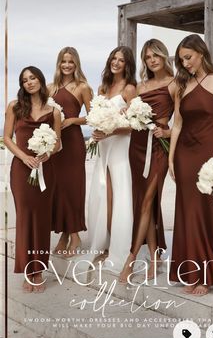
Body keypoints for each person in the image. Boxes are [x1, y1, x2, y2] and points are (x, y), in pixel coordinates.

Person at [169, 34, 213, 296]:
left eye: (188, 57)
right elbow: (177, 124)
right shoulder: (182, 85)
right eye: (181, 59)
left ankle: (207, 274)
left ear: (201, 52)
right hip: (185, 153)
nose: (185, 63)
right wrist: (172, 159)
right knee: (187, 212)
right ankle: (192, 271)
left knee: (207, 212)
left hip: (212, 155)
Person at [119, 39, 175, 283]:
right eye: (148, 57)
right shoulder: (139, 87)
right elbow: (132, 120)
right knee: (145, 203)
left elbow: (183, 120)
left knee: (147, 201)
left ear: (164, 57)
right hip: (138, 147)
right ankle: (154, 255)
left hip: (159, 147)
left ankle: (130, 259)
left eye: (156, 56)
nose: (152, 60)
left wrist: (169, 132)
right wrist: (125, 114)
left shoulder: (175, 84)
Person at [4, 66, 61, 292]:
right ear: (22, 85)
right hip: (21, 168)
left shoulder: (53, 111)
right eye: (25, 80)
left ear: (40, 79)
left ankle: (39, 269)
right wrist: (25, 157)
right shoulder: (15, 107)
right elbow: (7, 138)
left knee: (42, 219)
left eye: (33, 77)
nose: (29, 82)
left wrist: (47, 153)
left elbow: (58, 143)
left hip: (46, 169)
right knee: (25, 218)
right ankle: (28, 270)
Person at [82, 45, 137, 274]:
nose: (116, 63)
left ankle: (118, 247)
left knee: (118, 196)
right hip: (104, 147)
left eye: (121, 60)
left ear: (127, 65)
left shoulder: (130, 89)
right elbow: (95, 117)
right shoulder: (103, 87)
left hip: (119, 148)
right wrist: (97, 130)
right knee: (102, 195)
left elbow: (134, 125)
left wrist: (109, 131)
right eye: (114, 58)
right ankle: (104, 245)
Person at [48, 47, 93, 257]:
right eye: (63, 61)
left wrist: (74, 120)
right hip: (55, 145)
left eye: (71, 62)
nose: (67, 65)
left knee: (73, 188)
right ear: (58, 63)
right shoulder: (50, 88)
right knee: (59, 190)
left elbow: (95, 116)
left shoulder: (83, 87)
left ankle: (74, 235)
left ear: (76, 64)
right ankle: (63, 234)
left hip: (74, 143)